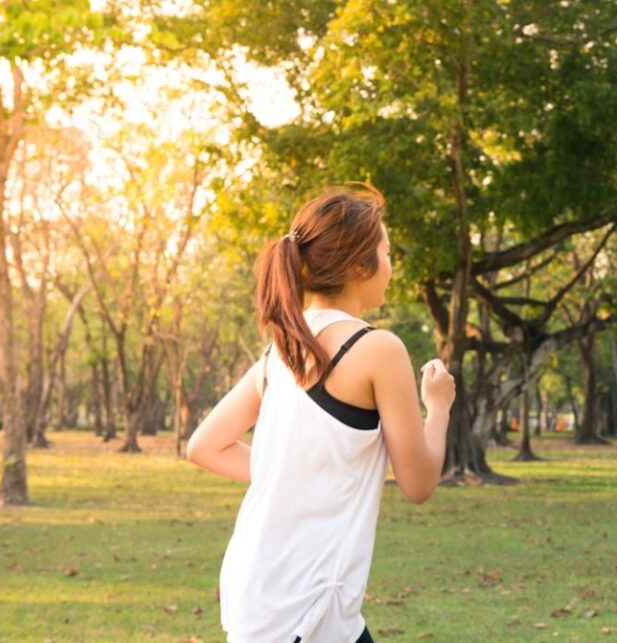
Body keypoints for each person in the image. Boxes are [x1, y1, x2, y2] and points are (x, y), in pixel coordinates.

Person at [187, 184, 455, 643]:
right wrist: (439, 407)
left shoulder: (281, 351)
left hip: (261, 589)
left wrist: (292, 473)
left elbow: (204, 446)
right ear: (357, 264)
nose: (391, 267)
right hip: (306, 605)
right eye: (386, 253)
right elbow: (419, 483)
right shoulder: (378, 349)